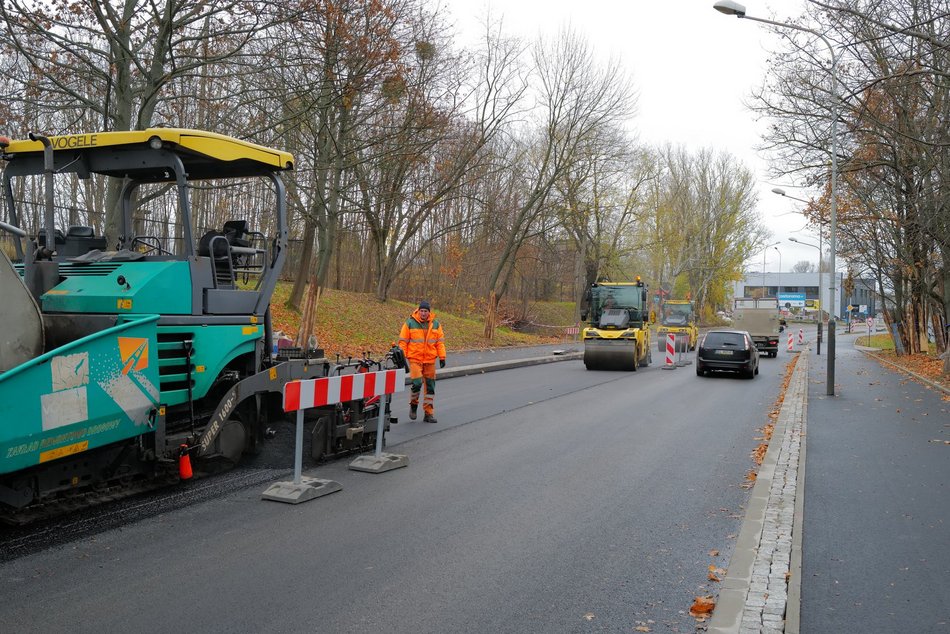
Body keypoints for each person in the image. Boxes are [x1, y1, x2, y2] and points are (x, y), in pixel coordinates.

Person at [398, 300, 446, 423]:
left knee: (430, 387)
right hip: (415, 359)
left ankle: (428, 414)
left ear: (429, 312)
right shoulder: (409, 323)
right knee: (417, 383)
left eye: (425, 311)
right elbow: (403, 342)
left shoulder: (435, 324)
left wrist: (442, 357)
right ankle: (413, 406)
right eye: (421, 311)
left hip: (430, 360)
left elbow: (440, 342)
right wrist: (402, 359)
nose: (423, 313)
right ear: (418, 311)